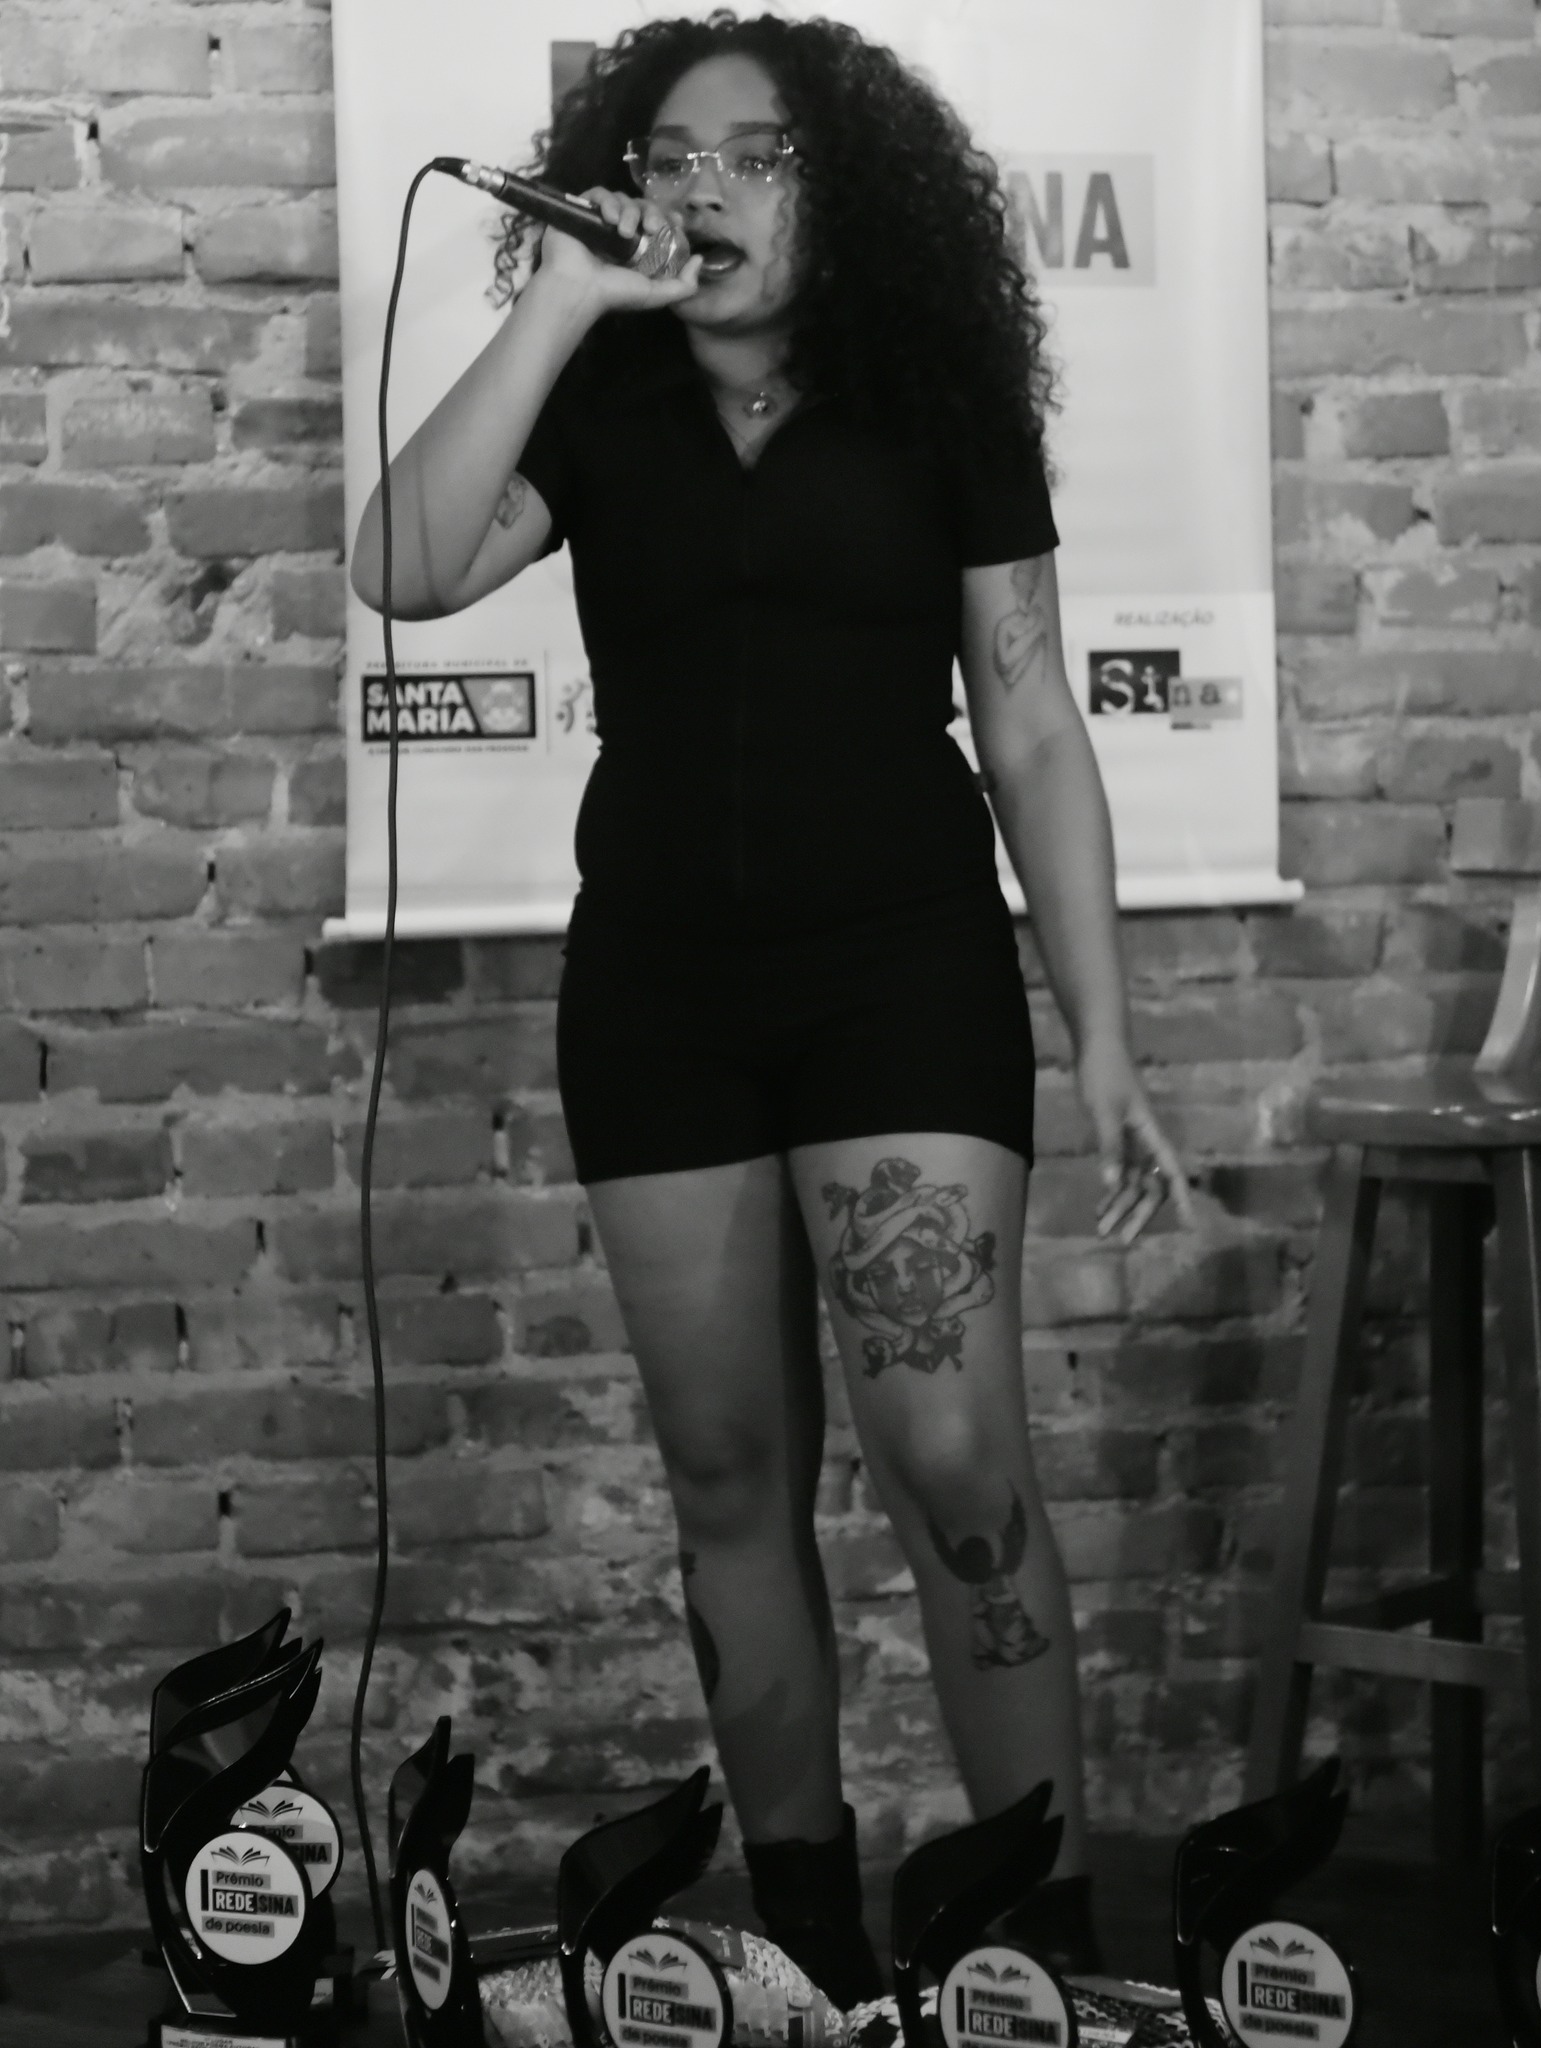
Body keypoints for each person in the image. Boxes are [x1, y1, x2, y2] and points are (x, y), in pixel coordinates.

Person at [351, 8, 1190, 2006]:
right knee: (727, 1473)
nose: (702, 187)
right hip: (661, 988)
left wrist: (1105, 1035)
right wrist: (563, 302)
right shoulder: (602, 397)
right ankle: (810, 1930)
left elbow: (1034, 723)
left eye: (754, 155)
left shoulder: (933, 393)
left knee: (953, 1451)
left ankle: (1036, 1933)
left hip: (900, 965)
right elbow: (400, 567)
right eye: (667, 156)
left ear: (846, 190)